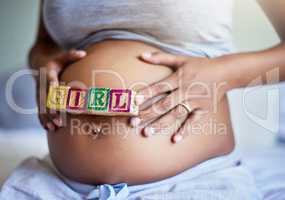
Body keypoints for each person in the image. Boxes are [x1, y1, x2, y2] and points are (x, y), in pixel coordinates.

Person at [1, 0, 285, 199]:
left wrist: (225, 73)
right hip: (56, 184)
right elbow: (44, 45)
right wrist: (42, 66)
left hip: (191, 181)